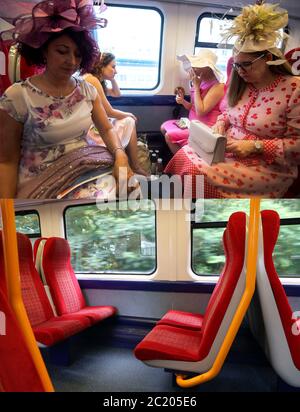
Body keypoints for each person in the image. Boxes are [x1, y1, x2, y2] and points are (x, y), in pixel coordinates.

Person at [0, 0, 135, 199]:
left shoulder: (87, 91)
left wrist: (120, 155)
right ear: (44, 50)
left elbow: (106, 129)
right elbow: (7, 161)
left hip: (84, 167)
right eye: (62, 51)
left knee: (129, 191)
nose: (71, 61)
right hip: (42, 183)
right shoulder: (18, 96)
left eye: (78, 55)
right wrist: (8, 214)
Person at [165, 3, 300, 198]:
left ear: (268, 58)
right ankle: (186, 215)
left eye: (246, 65)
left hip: (267, 165)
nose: (240, 72)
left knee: (194, 172)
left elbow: (296, 145)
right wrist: (221, 124)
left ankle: (202, 221)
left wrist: (256, 146)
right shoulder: (242, 84)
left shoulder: (294, 89)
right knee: (184, 155)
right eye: (236, 66)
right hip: (227, 150)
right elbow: (228, 113)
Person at [84, 54, 148, 176]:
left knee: (126, 120)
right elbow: (109, 112)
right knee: (129, 120)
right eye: (113, 67)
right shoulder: (92, 80)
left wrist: (112, 78)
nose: (116, 71)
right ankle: (135, 166)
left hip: (93, 126)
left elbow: (117, 94)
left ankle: (134, 165)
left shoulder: (98, 81)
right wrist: (129, 114)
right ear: (101, 66)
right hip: (91, 133)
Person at [161, 50, 225, 154]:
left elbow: (201, 111)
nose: (194, 69)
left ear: (208, 68)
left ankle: (183, 160)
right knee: (164, 126)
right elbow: (193, 107)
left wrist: (195, 86)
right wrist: (183, 102)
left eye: (198, 65)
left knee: (169, 135)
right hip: (192, 123)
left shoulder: (218, 86)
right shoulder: (200, 82)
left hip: (205, 128)